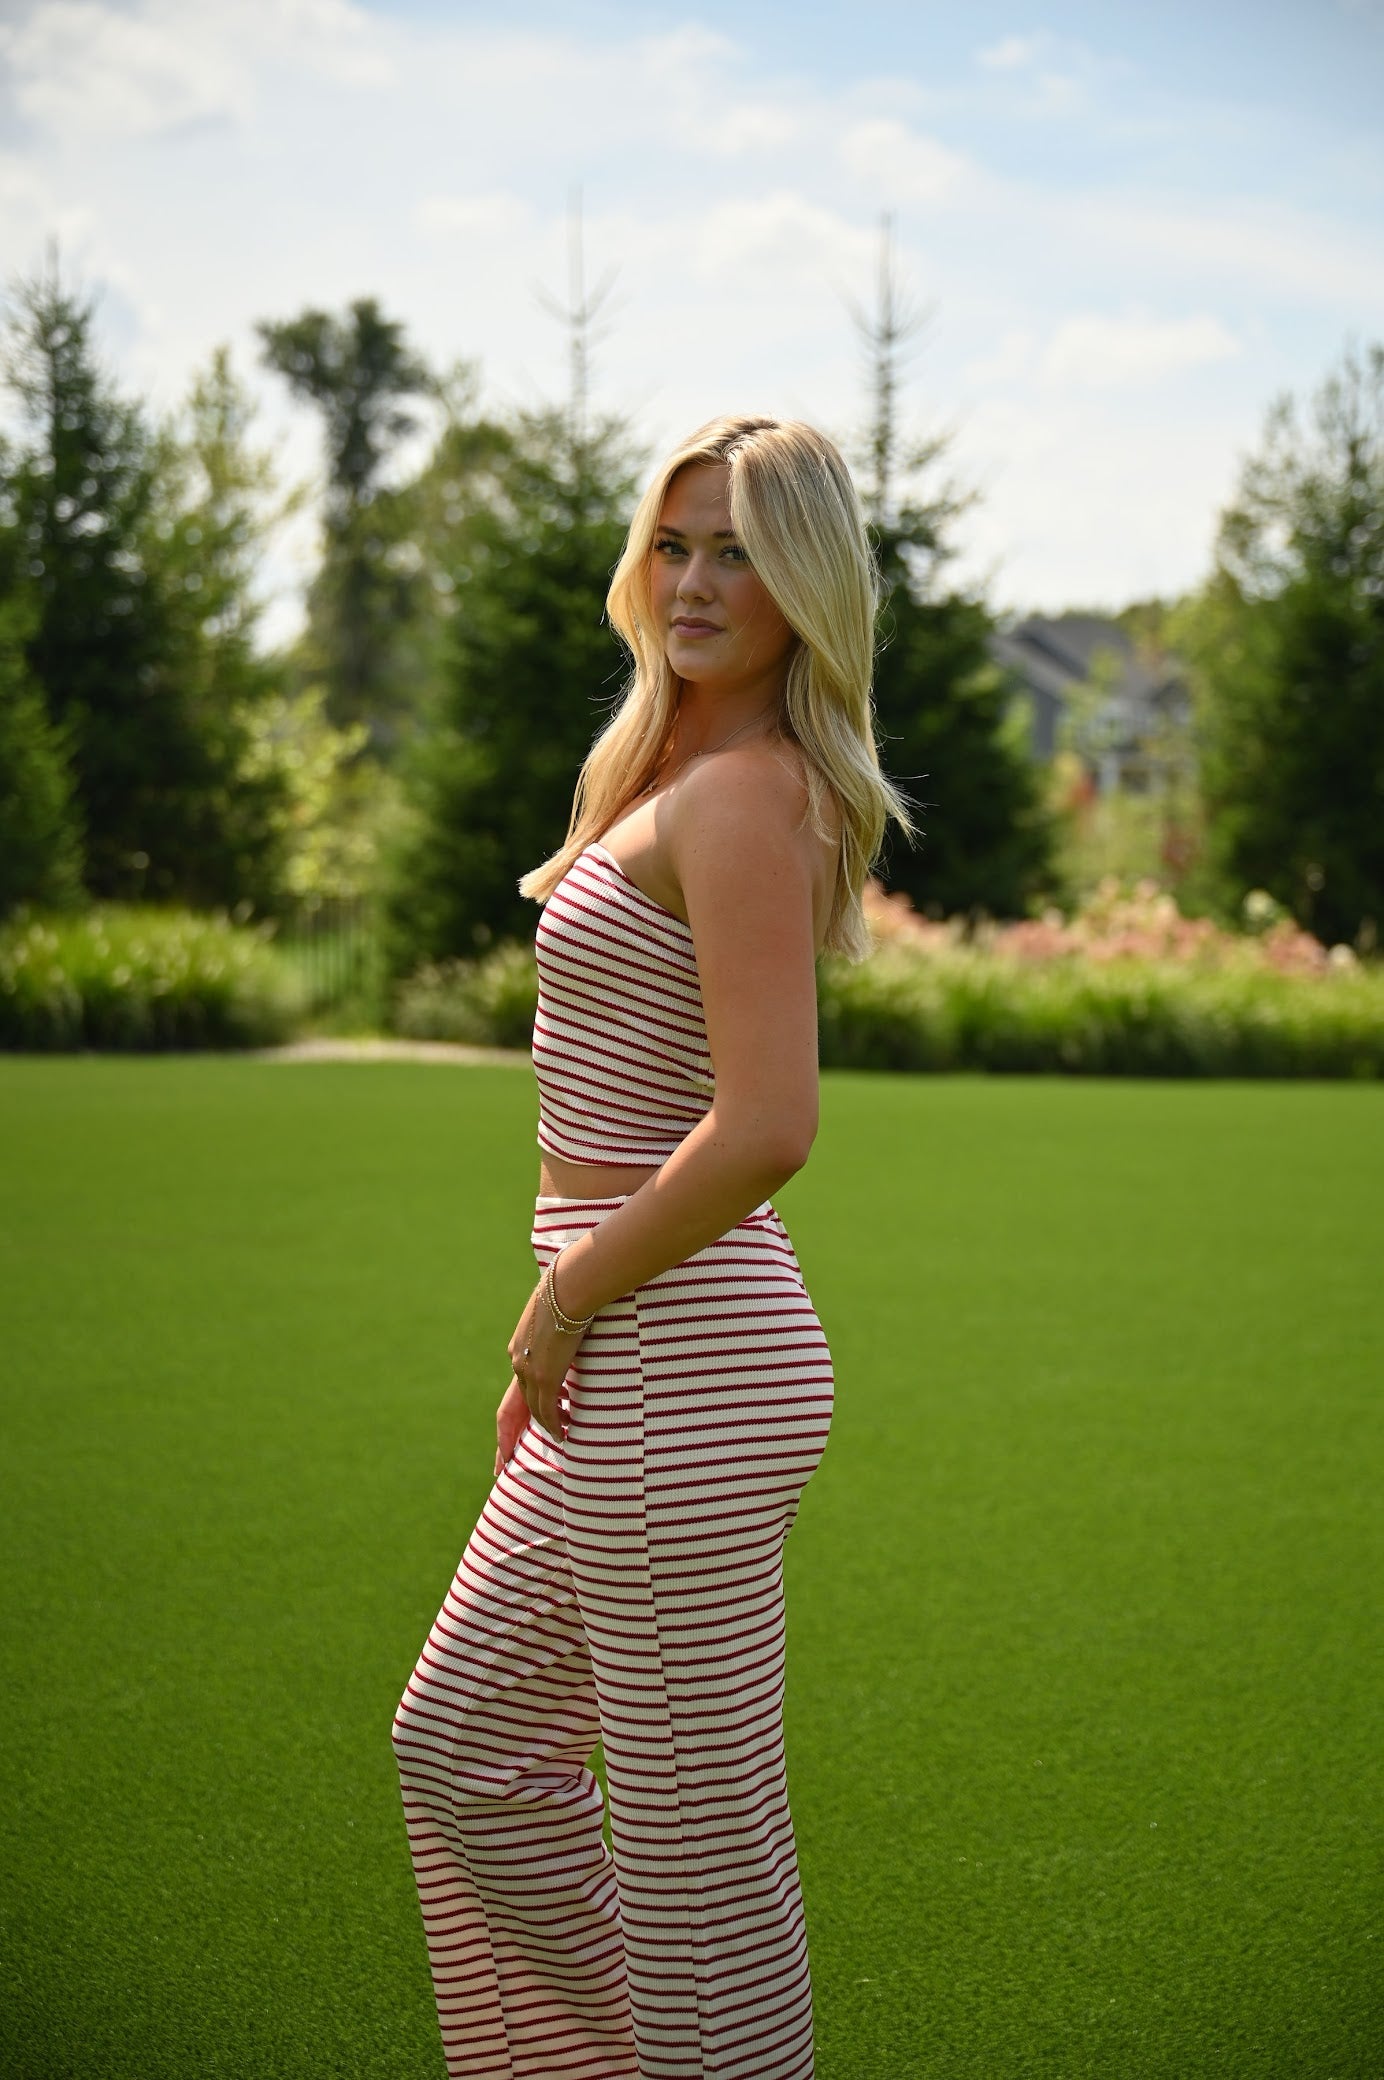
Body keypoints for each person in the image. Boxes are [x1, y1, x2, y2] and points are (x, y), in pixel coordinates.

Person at [392, 414, 912, 2079]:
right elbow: (624, 1118)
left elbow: (768, 1124)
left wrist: (564, 1298)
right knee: (464, 1745)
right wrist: (560, 1318)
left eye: (740, 552)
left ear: (805, 583)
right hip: (629, 1344)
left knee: (699, 1852)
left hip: (680, 1355)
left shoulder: (747, 795)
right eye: (675, 544)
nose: (694, 581)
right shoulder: (678, 772)